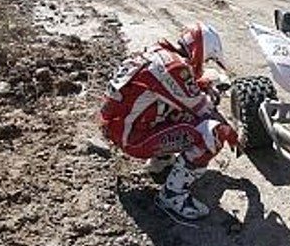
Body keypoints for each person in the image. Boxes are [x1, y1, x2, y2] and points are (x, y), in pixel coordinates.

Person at [99, 23, 239, 222]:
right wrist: (231, 132)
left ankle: (161, 162)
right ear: (200, 50)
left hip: (118, 125)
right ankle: (172, 196)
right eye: (207, 58)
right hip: (130, 138)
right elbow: (204, 110)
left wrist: (203, 85)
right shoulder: (175, 67)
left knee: (181, 110)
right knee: (213, 133)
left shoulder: (160, 54)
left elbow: (170, 91)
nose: (204, 62)